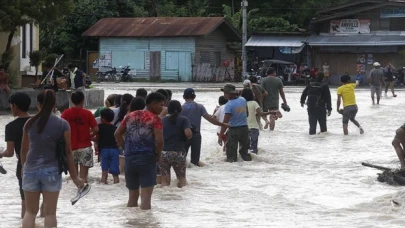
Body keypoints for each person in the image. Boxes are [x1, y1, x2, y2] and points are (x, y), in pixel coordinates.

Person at [20, 90, 84, 228]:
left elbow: (24, 151)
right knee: (50, 214)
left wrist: (23, 170)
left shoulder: (29, 123)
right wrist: (75, 177)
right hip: (52, 171)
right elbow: (68, 152)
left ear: (38, 104)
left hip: (30, 170)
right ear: (55, 104)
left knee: (30, 212)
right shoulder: (62, 124)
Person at [114, 92, 165, 210]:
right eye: (161, 105)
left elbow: (117, 134)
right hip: (147, 158)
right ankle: (145, 223)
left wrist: (126, 148)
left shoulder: (129, 116)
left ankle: (132, 222)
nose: (162, 108)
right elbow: (159, 140)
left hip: (130, 159)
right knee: (146, 198)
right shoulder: (155, 118)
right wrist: (158, 155)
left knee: (132, 197)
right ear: (153, 104)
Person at [0, 92, 31, 218]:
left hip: (24, 166)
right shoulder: (38, 121)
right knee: (46, 203)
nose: (10, 108)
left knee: (26, 203)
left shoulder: (11, 126)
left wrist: (0, 154)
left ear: (16, 106)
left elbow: (10, 152)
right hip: (45, 164)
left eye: (11, 105)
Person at [181, 88, 227, 166]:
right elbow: (211, 120)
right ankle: (196, 175)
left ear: (183, 97)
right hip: (196, 135)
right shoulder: (200, 107)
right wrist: (223, 124)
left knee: (181, 160)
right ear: (194, 96)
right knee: (195, 161)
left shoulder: (180, 108)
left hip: (183, 135)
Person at [61, 91, 99, 183]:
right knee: (84, 177)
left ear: (72, 101)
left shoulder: (66, 113)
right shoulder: (88, 113)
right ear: (83, 100)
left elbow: (60, 129)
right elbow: (96, 129)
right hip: (85, 147)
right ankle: (84, 195)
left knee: (74, 178)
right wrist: (89, 136)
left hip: (70, 148)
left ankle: (74, 194)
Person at [159, 100, 192, 188]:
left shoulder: (162, 120)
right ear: (180, 109)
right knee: (181, 179)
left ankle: (165, 198)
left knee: (165, 182)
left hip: (164, 153)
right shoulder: (184, 120)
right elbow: (188, 134)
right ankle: (180, 198)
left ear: (168, 109)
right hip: (178, 152)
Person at [219, 84, 251, 162]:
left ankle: (232, 172)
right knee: (245, 153)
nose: (224, 95)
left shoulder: (228, 105)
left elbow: (225, 122)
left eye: (225, 93)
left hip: (233, 130)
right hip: (245, 129)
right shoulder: (243, 100)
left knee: (231, 156)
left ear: (230, 93)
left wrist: (220, 135)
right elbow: (247, 114)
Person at [240, 89, 273, 154]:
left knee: (244, 147)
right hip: (254, 128)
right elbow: (260, 113)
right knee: (254, 147)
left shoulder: (241, 104)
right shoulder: (254, 103)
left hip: (243, 128)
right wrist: (270, 112)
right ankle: (254, 160)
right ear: (251, 95)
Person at [96, 108, 120, 184]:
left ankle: (104, 184)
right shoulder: (115, 128)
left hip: (104, 150)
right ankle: (116, 184)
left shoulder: (99, 127)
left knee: (104, 171)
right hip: (114, 150)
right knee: (115, 172)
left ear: (102, 118)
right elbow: (118, 140)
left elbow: (97, 138)